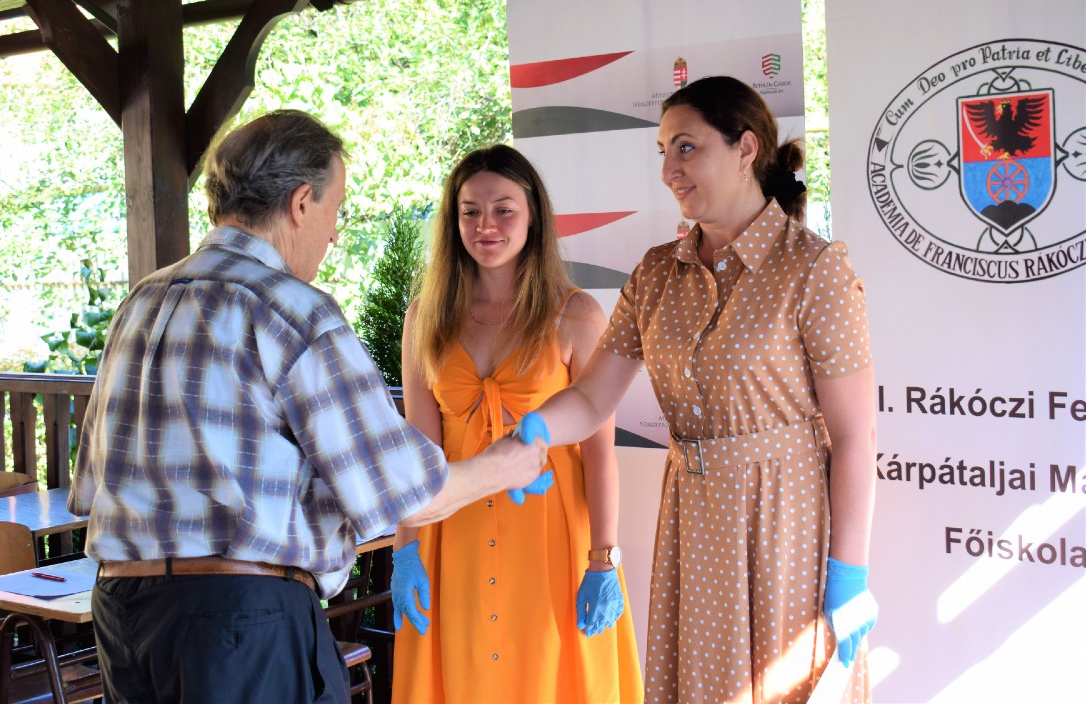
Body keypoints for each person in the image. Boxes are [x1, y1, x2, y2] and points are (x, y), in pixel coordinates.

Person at [67, 110, 549, 704]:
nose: (334, 234)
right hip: (239, 622)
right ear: (301, 203)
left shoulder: (142, 299)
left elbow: (89, 484)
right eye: (335, 210)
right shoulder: (291, 308)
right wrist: (506, 465)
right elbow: (401, 489)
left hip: (121, 613)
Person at [516, 76, 879, 704]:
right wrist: (538, 428)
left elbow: (854, 435)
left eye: (686, 147)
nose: (668, 170)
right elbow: (593, 398)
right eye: (663, 151)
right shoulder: (657, 272)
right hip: (692, 518)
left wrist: (849, 571)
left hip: (785, 522)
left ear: (746, 149)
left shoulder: (814, 267)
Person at [390, 144, 643, 703]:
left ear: (533, 217)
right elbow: (419, 450)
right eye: (470, 211)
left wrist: (603, 557)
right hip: (452, 533)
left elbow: (600, 453)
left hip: (553, 538)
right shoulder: (424, 318)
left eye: (504, 209)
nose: (486, 225)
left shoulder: (575, 314)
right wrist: (406, 549)